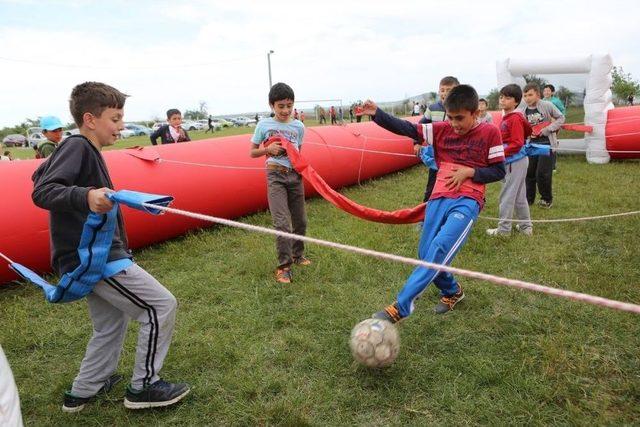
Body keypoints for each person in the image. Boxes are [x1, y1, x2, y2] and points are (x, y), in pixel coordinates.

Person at [32, 82, 190, 412]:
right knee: (159, 306)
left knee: (110, 323)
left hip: (92, 253)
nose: (121, 127)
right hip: (94, 255)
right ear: (90, 119)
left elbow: (40, 174)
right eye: (115, 119)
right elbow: (43, 190)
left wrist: (86, 194)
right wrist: (86, 196)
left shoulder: (78, 150)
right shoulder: (77, 146)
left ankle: (83, 392)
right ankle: (143, 387)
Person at [362, 84, 505, 320]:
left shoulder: (490, 133)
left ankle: (401, 307)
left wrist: (470, 172)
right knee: (425, 253)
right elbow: (408, 128)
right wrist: (377, 113)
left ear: (475, 113)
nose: (455, 124)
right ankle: (452, 291)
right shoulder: (441, 130)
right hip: (438, 196)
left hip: (467, 200)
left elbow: (499, 171)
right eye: (451, 118)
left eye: (460, 118)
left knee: (440, 247)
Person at [250, 82, 310, 283]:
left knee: (300, 220)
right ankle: (284, 266)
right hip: (275, 176)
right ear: (271, 105)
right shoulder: (263, 126)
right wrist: (269, 150)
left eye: (289, 106)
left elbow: (298, 150)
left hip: (295, 176)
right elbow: (252, 152)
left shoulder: (299, 126)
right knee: (282, 223)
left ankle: (297, 254)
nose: (285, 110)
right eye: (281, 106)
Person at [486, 84, 533, 236]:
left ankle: (504, 230)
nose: (503, 100)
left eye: (507, 98)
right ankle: (526, 228)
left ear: (516, 101)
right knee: (519, 195)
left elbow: (517, 143)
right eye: (501, 97)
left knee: (506, 195)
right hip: (515, 161)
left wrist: (497, 153)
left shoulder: (514, 118)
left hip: (515, 161)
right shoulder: (508, 117)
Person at [417, 76, 460, 211]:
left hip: (456, 157)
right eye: (442, 90)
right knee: (432, 185)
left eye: (449, 90)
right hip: (436, 155)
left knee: (454, 184)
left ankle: (452, 212)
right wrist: (417, 143)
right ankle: (424, 215)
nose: (445, 93)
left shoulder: (461, 109)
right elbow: (421, 126)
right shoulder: (433, 108)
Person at [520, 83, 565, 208]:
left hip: (546, 144)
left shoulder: (547, 105)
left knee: (543, 173)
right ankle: (529, 199)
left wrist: (548, 129)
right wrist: (527, 134)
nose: (527, 98)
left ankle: (546, 199)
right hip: (531, 145)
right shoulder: (522, 110)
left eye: (530, 95)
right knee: (529, 173)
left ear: (538, 95)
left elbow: (561, 118)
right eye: (525, 95)